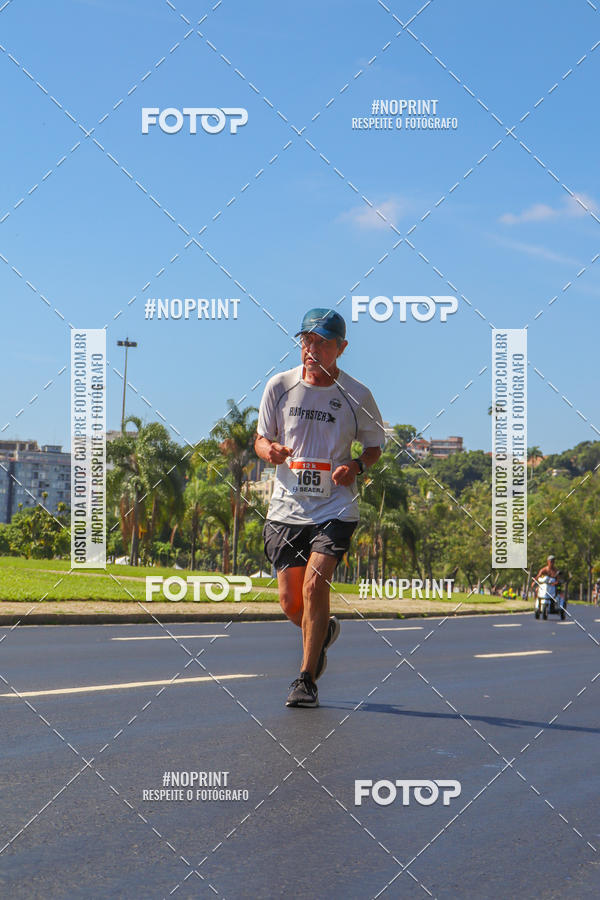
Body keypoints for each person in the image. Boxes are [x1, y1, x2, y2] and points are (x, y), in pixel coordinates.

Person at [255, 308, 383, 708]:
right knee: (291, 602)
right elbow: (260, 439)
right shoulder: (279, 386)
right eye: (307, 340)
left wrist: (357, 466)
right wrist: (269, 451)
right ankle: (322, 632)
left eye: (323, 342)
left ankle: (305, 680)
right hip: (285, 509)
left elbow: (375, 446)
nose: (313, 349)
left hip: (334, 507)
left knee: (315, 586)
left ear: (341, 349)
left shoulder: (357, 395)